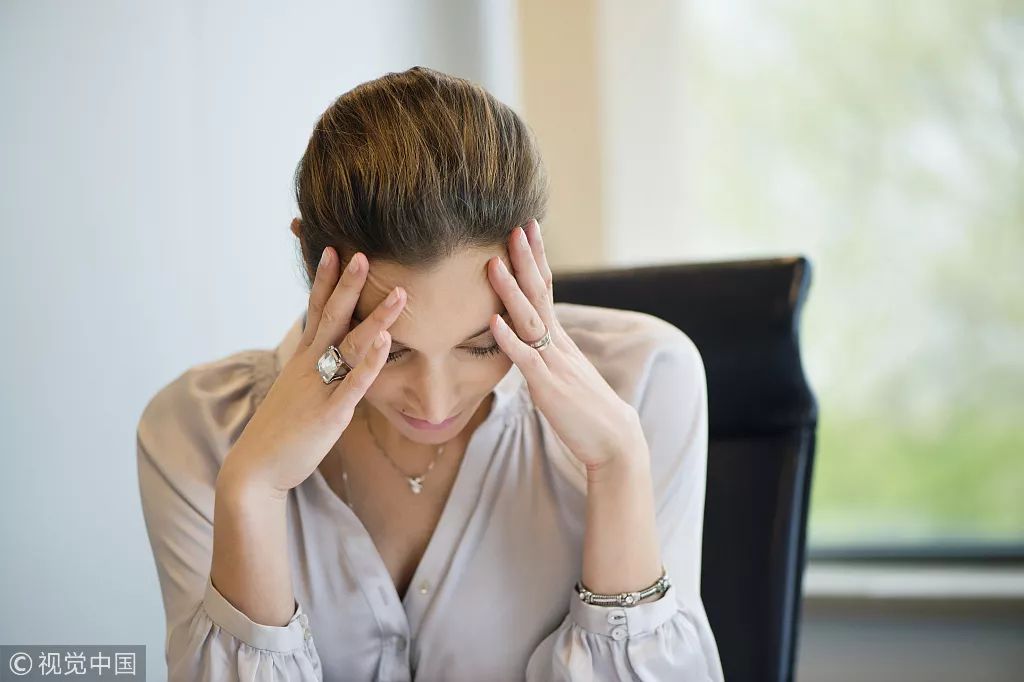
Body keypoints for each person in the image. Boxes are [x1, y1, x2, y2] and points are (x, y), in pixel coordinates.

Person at [136, 65, 724, 682]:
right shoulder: (197, 430)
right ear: (314, 268)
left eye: (480, 346)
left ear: (533, 262)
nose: (436, 402)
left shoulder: (646, 380)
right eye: (388, 352)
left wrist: (620, 463)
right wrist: (252, 493)